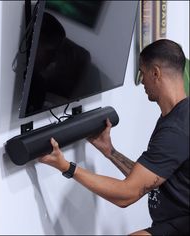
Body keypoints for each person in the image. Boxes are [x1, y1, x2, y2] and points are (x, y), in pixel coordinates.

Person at [39, 39, 189, 235]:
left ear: (156, 73)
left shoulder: (175, 130)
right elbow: (148, 177)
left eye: (142, 73)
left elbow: (126, 196)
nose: (142, 81)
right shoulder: (177, 115)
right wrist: (110, 152)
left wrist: (67, 167)